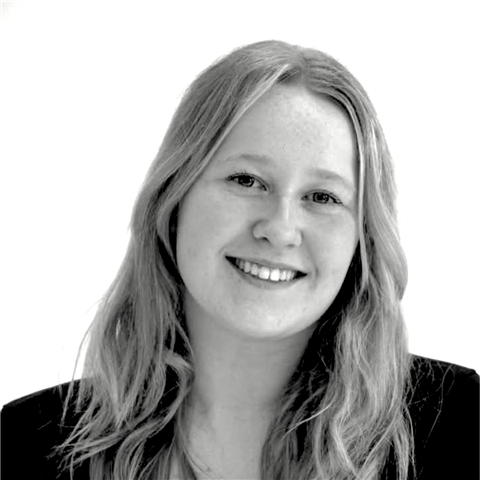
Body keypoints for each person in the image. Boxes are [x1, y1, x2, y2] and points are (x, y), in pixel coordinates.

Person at [0, 40, 478, 480]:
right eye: (247, 180)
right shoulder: (28, 443)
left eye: (322, 197)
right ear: (173, 200)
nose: (280, 228)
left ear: (363, 237)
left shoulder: (459, 422)